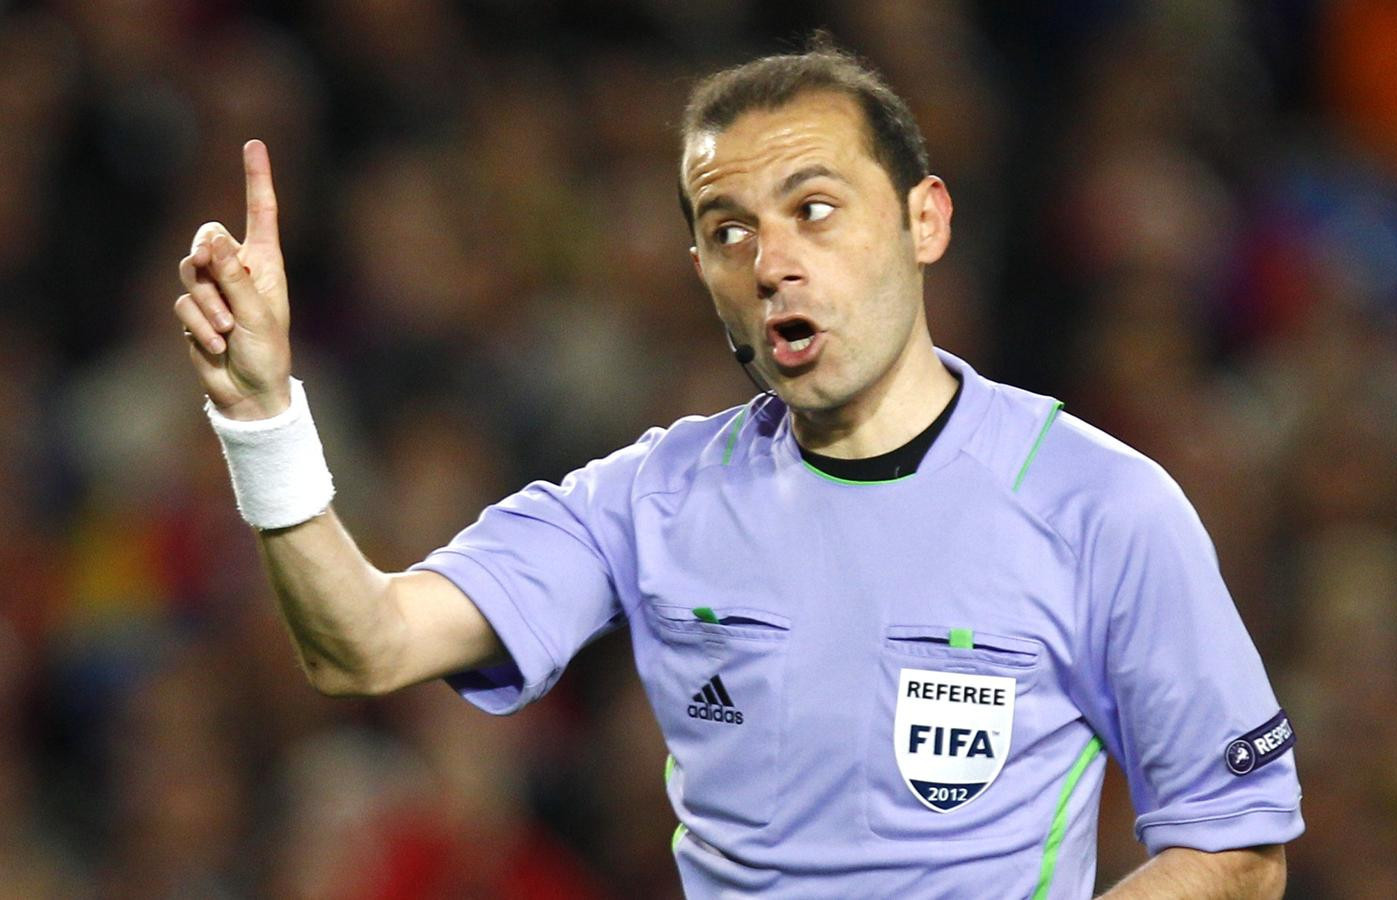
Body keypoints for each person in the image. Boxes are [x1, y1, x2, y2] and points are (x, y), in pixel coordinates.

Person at [173, 41, 1303, 899]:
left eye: (815, 210)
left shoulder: (1100, 505)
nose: (772, 263)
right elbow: (363, 644)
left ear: (924, 222)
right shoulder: (645, 502)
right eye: (728, 231)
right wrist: (262, 416)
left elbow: (1238, 843)